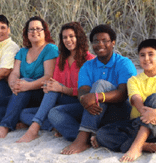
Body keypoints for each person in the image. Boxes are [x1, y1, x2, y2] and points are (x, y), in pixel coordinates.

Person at [48, 24, 137, 154]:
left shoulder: (124, 63)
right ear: (92, 45)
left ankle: (82, 138)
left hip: (118, 110)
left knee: (100, 84)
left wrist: (97, 97)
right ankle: (93, 136)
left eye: (105, 41)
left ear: (113, 43)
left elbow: (123, 94)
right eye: (96, 41)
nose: (100, 44)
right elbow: (82, 91)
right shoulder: (88, 66)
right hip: (94, 109)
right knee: (54, 113)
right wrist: (85, 99)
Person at [91, 39, 156, 163]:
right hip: (138, 124)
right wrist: (147, 114)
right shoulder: (133, 80)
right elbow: (136, 99)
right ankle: (146, 146)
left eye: (151, 54)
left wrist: (155, 112)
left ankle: (137, 146)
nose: (146, 58)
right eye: (142, 55)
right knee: (102, 134)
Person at [16, 22, 95, 143]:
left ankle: (34, 129)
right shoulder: (60, 59)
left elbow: (87, 92)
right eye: (64, 37)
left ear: (79, 37)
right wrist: (48, 87)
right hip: (62, 101)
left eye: (71, 36)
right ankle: (54, 126)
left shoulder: (89, 60)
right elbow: (55, 82)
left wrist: (61, 89)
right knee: (24, 113)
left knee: (53, 100)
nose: (68, 40)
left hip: (79, 103)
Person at [0, 16, 59, 139]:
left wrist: (27, 85)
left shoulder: (50, 49)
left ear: (45, 32)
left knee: (24, 82)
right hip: (23, 93)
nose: (34, 32)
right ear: (26, 33)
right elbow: (15, 73)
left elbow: (49, 77)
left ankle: (6, 125)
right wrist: (13, 83)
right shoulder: (22, 52)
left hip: (41, 93)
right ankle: (23, 121)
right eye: (31, 29)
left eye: (38, 29)